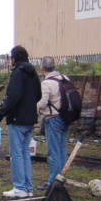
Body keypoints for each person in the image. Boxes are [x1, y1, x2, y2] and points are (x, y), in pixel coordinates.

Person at [0, 45, 42, 198]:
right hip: (30, 118)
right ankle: (28, 187)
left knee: (17, 154)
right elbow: (38, 95)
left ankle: (19, 186)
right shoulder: (33, 73)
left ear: (14, 59)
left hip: (17, 118)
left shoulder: (18, 73)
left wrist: (0, 114)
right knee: (26, 153)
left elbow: (13, 97)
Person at [37, 56, 68, 192]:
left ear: (42, 68)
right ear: (55, 67)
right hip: (66, 117)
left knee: (53, 151)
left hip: (53, 118)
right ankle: (61, 179)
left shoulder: (46, 83)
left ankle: (53, 182)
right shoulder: (65, 78)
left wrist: (34, 110)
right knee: (62, 150)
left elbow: (43, 102)